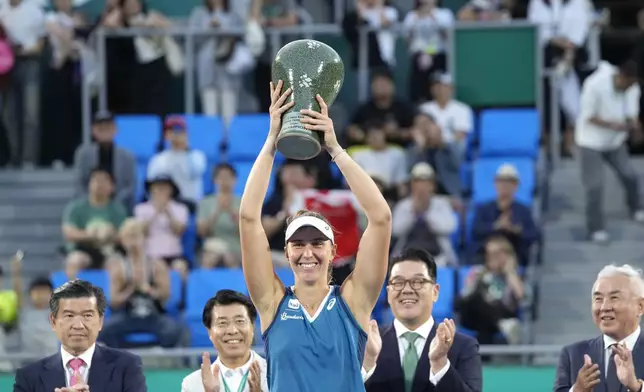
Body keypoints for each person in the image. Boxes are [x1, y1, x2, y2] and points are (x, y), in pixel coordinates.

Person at [238, 80, 392, 392]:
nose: (307, 252)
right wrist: (271, 141)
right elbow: (247, 218)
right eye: (298, 244)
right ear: (287, 250)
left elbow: (380, 217)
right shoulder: (272, 302)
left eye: (316, 243)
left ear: (333, 250)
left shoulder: (354, 301)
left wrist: (335, 149)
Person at [363, 248, 482, 392]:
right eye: (398, 282)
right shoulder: (366, 345)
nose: (407, 289)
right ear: (388, 293)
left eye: (417, 281)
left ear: (435, 292)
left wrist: (440, 364)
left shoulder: (463, 346)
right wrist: (368, 363)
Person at [12, 280, 147, 392]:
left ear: (100, 322)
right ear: (53, 322)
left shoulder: (127, 367)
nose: (78, 325)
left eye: (87, 315)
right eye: (69, 316)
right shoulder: (29, 376)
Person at [575, 60, 644, 243]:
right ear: (621, 76)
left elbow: (631, 114)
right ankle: (595, 228)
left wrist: (636, 128)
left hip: (615, 142)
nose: (629, 87)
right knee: (595, 186)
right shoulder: (594, 84)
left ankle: (636, 208)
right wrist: (614, 125)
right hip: (590, 142)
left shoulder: (632, 87)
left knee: (630, 175)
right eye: (628, 84)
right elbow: (588, 117)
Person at [554, 264, 644, 392]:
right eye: (598, 299)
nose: (604, 307)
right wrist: (577, 390)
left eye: (614, 298)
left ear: (640, 306)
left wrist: (637, 388)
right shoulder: (572, 355)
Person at [182, 290, 268, 392]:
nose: (232, 331)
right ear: (209, 332)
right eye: (222, 323)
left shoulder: (275, 375)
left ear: (252, 327)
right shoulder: (193, 384)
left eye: (240, 321)